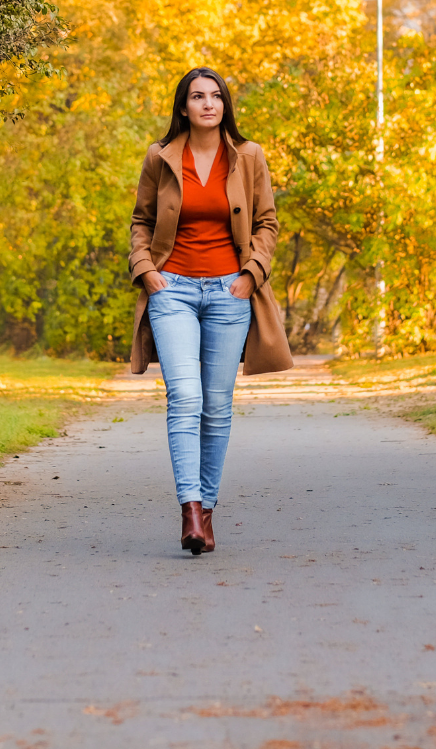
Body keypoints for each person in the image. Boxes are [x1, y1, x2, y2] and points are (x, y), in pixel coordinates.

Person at [129, 68, 294, 555]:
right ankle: (191, 512)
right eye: (197, 96)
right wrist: (146, 270)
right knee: (184, 397)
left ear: (225, 105)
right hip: (172, 289)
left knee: (217, 408)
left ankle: (208, 509)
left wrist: (251, 274)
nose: (207, 103)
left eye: (215, 96)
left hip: (230, 292)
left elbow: (266, 223)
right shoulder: (160, 157)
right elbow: (141, 220)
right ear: (183, 107)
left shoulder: (249, 157)